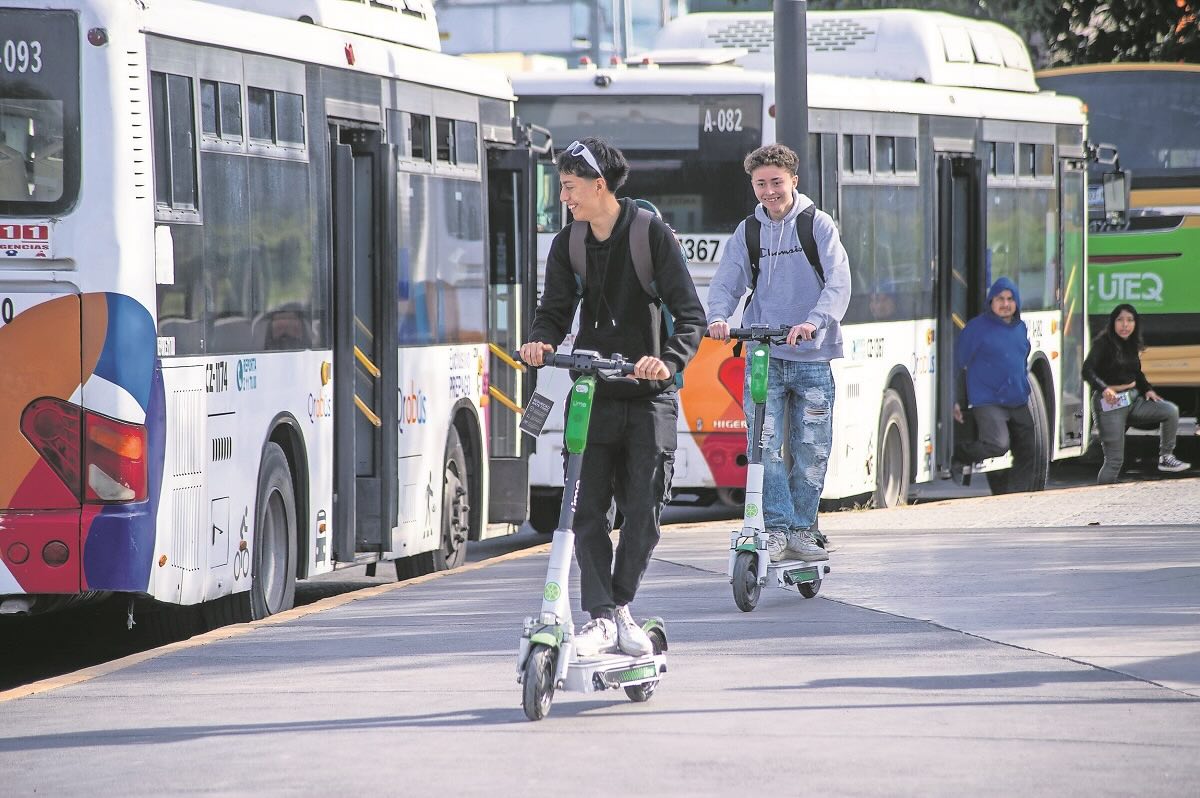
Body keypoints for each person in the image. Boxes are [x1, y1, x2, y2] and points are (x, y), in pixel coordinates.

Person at [518, 137, 704, 657]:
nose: (565, 199)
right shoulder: (569, 242)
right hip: (592, 392)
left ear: (599, 186)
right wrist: (540, 341)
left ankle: (619, 605)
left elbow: (689, 315)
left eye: (571, 188)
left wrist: (665, 360)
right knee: (585, 511)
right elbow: (553, 310)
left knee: (643, 515)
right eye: (562, 188)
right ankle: (603, 617)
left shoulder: (650, 235)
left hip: (649, 397)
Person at [706, 143, 851, 563]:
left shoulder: (817, 225)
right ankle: (777, 529)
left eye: (776, 182)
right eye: (760, 184)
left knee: (812, 449)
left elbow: (839, 283)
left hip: (813, 356)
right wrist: (718, 316)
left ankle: (804, 529)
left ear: (794, 181)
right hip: (763, 355)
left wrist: (815, 321)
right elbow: (727, 280)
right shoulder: (748, 231)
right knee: (762, 446)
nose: (769, 191)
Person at [1082, 303, 1190, 483]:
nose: (1125, 325)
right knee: (1115, 460)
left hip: (1132, 399)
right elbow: (1087, 370)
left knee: (1170, 410)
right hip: (1110, 402)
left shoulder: (1132, 344)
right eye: (1120, 320)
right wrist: (1104, 388)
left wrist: (1148, 389)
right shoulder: (1103, 343)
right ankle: (1100, 498)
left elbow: (1137, 373)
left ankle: (1166, 457)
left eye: (1130, 320)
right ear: (1113, 322)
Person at [952, 277, 1037, 486]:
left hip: (1017, 398)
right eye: (1000, 299)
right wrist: (956, 400)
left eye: (1010, 299)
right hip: (987, 399)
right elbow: (958, 364)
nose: (1005, 304)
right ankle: (958, 454)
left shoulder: (1021, 328)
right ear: (991, 302)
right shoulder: (976, 328)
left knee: (1029, 447)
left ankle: (1017, 494)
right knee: (998, 444)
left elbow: (1022, 357)